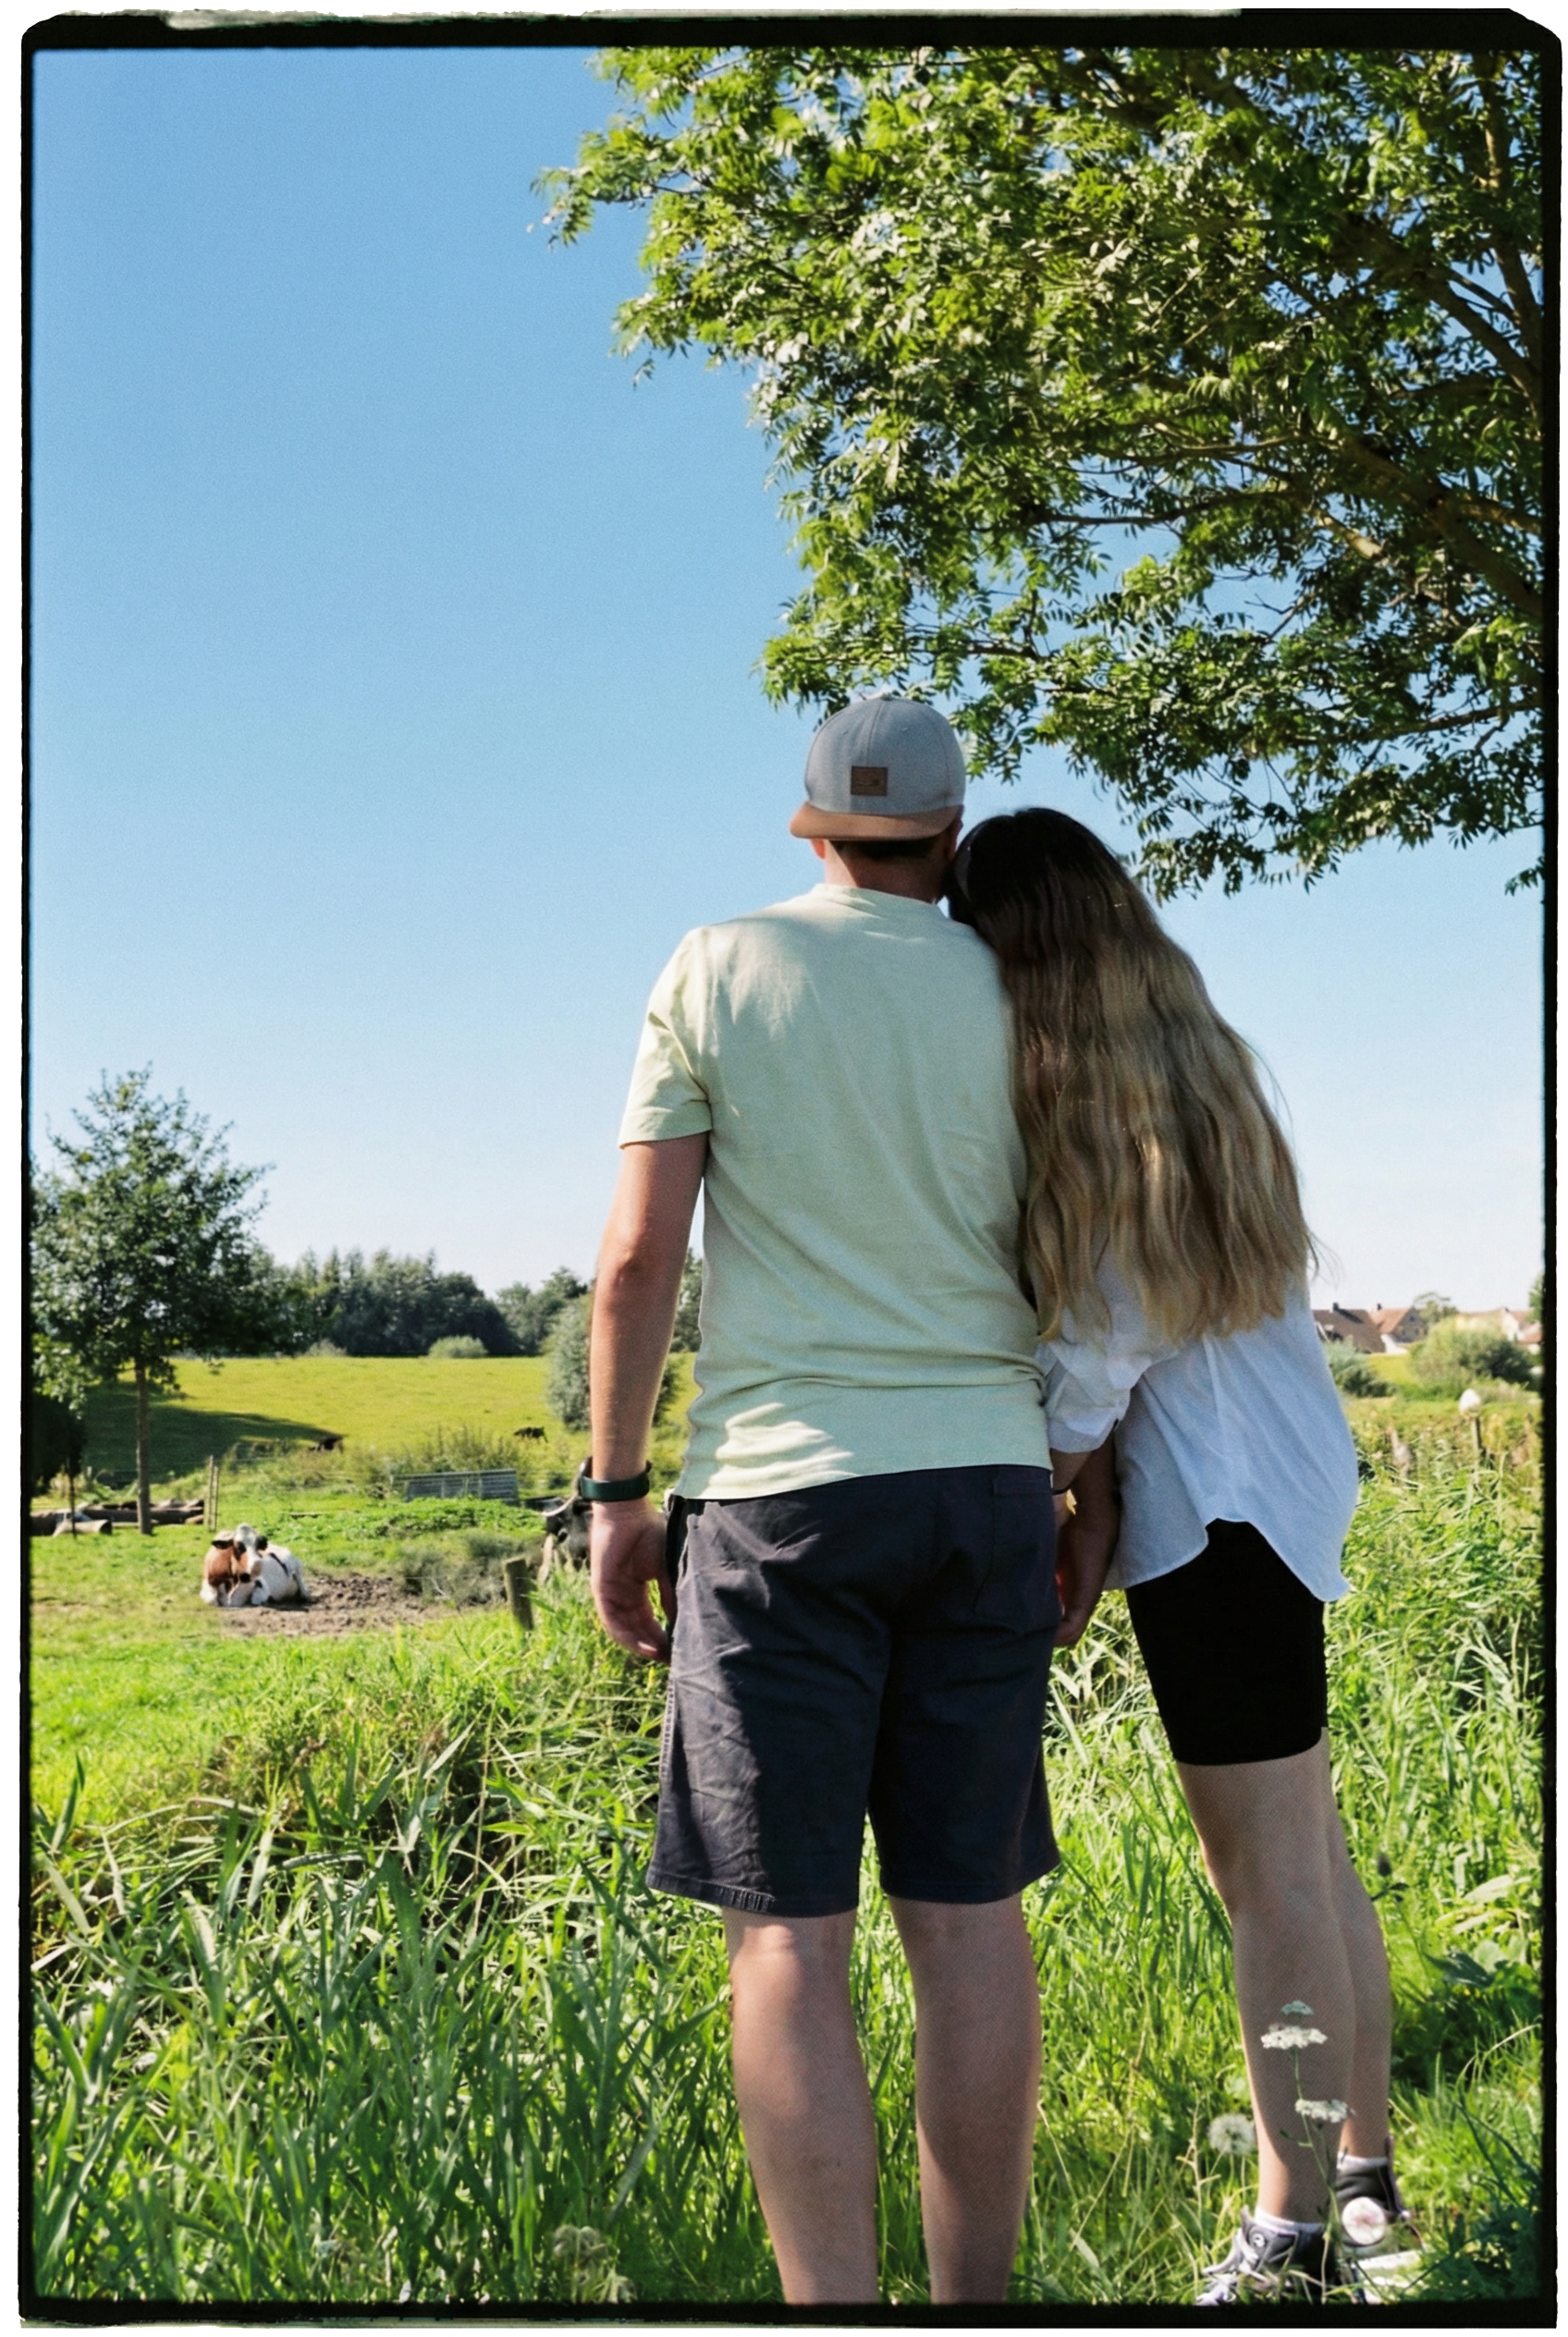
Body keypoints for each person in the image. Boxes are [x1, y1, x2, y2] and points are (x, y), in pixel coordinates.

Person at [583, 698, 1107, 2306]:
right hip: (984, 1485)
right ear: (951, 835)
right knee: (967, 1923)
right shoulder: (1025, 989)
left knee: (789, 1939)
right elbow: (1081, 1253)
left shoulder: (717, 966)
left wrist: (614, 1495)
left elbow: (635, 1265)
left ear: (807, 827)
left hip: (779, 1504)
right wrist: (1074, 1489)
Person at [947, 805, 1409, 2308]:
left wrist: (1060, 1482)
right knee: (1308, 1851)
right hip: (1275, 1486)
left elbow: (1100, 1337)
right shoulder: (1197, 1059)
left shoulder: (1085, 1094)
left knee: (1263, 1873)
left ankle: (1287, 2238)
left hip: (1209, 1509)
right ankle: (1359, 2177)